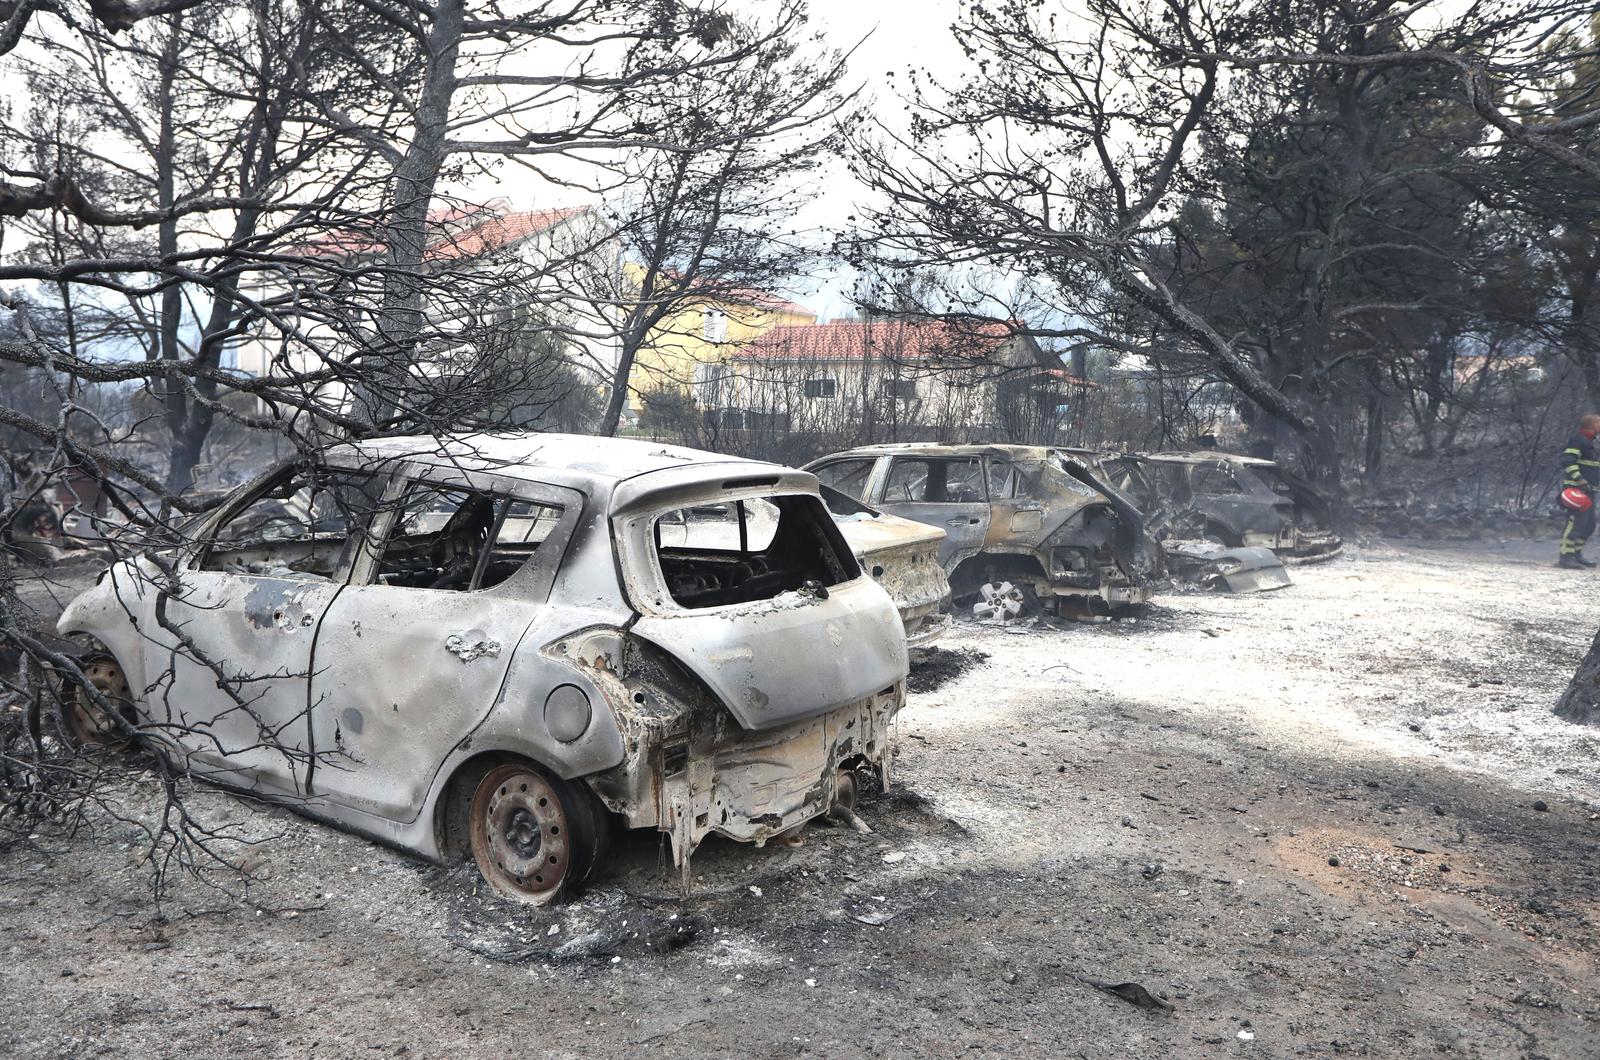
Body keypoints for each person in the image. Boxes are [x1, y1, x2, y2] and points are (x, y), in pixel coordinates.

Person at [1558, 414, 1600, 568]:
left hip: (1589, 490)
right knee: (1575, 523)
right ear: (1592, 424)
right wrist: (1579, 479)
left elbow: (1591, 467)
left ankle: (1576, 554)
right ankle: (1566, 557)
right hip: (1577, 490)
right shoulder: (1578, 440)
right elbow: (1567, 460)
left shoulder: (1590, 442)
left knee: (1589, 525)